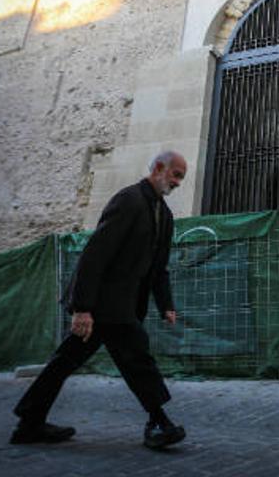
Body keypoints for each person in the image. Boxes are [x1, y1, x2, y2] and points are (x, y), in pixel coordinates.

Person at [10, 151, 188, 450]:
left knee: (64, 363)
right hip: (104, 305)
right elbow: (95, 255)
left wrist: (166, 304)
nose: (178, 182)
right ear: (158, 168)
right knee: (138, 361)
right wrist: (82, 308)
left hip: (122, 307)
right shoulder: (128, 200)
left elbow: (158, 267)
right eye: (176, 175)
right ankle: (159, 421)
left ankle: (29, 422)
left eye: (181, 177)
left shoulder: (165, 215)